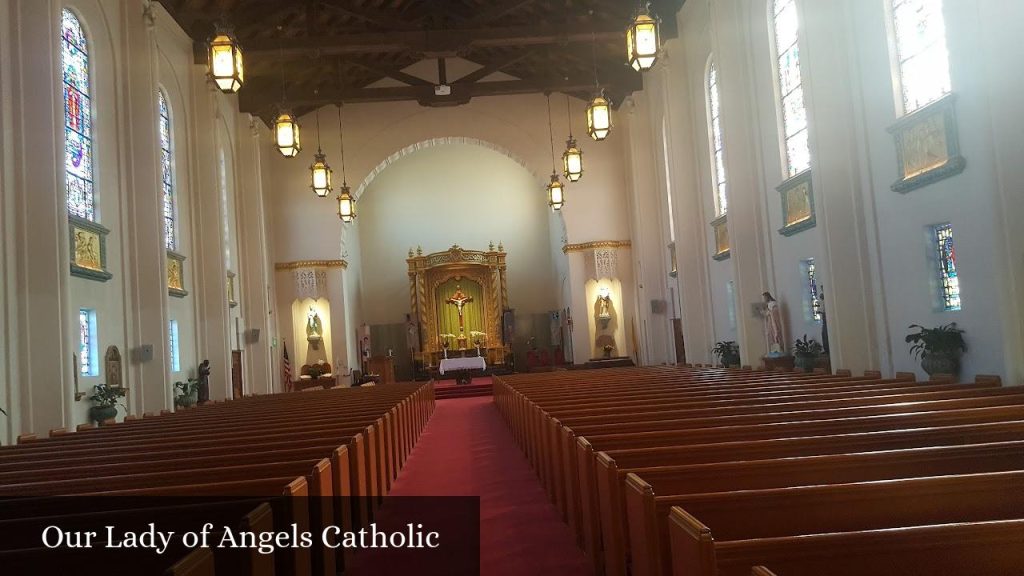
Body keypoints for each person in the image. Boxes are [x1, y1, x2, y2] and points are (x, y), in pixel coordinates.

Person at [762, 292, 785, 357]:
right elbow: (768, 313)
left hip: (774, 322)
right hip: (771, 322)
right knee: (771, 336)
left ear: (767, 297)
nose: (764, 299)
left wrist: (767, 312)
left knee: (776, 334)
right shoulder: (769, 304)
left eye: (765, 297)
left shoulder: (772, 304)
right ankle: (774, 350)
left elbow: (773, 313)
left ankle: (779, 350)